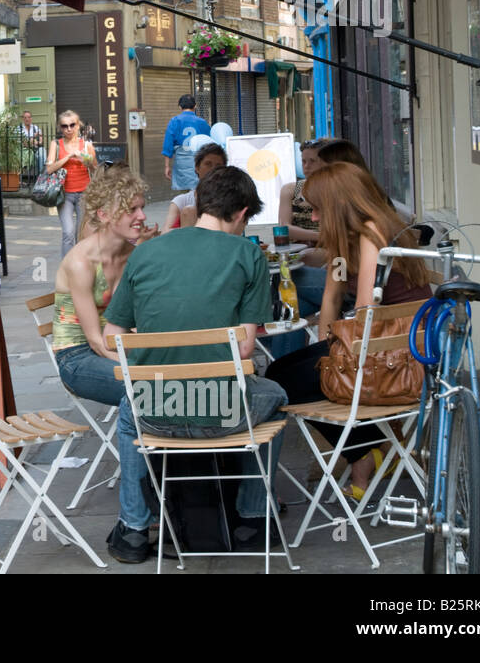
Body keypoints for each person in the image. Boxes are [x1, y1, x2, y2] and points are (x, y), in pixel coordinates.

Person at [102, 166, 285, 562]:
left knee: (128, 408)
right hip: (224, 412)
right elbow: (245, 349)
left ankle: (133, 530)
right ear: (242, 213)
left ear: (199, 204)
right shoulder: (247, 253)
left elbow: (111, 336)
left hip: (157, 411)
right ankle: (253, 519)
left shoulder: (146, 251)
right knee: (276, 395)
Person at [266, 162, 434, 499]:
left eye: (316, 209)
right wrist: (329, 345)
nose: (312, 219)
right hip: (377, 348)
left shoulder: (373, 234)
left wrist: (333, 353)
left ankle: (365, 451)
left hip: (400, 359)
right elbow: (331, 297)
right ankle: (370, 449)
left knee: (279, 383)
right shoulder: (354, 237)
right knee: (279, 372)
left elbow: (363, 312)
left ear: (338, 204)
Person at [51, 166, 155, 410]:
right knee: (150, 388)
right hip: (78, 357)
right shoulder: (81, 262)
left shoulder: (134, 256)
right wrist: (137, 367)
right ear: (105, 214)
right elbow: (96, 341)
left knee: (187, 375)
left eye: (142, 208)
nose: (141, 216)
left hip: (120, 343)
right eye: (132, 210)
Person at [45, 109, 98, 257]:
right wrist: (68, 157)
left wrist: (84, 159)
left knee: (81, 233)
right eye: (64, 126)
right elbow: (49, 169)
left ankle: (81, 266)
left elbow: (95, 168)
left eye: (72, 125)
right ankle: (67, 268)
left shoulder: (87, 145)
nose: (68, 129)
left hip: (84, 193)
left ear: (78, 125)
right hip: (64, 194)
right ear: (59, 127)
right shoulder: (56, 144)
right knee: (68, 232)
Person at [163, 143, 226, 231]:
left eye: (218, 166)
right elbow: (165, 234)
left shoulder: (228, 201)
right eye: (208, 164)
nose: (213, 169)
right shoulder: (181, 201)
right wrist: (187, 228)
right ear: (197, 167)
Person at [161, 94, 211, 191]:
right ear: (195, 106)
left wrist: (167, 166)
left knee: (184, 196)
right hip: (199, 161)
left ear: (180, 106)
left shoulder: (174, 121)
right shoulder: (202, 122)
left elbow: (168, 145)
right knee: (199, 191)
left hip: (181, 162)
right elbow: (209, 142)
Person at [19, 110, 46, 175]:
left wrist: (35, 142)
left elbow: (41, 141)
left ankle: (42, 174)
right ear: (23, 119)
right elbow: (23, 143)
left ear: (31, 118)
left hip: (35, 148)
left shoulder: (35, 127)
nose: (27, 119)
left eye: (28, 117)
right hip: (24, 150)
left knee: (42, 151)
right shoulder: (19, 128)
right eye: (25, 117)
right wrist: (34, 137)